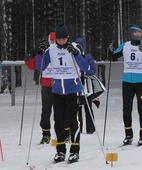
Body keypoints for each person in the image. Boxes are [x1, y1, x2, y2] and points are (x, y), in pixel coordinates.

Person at [36, 25, 89, 163]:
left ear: (68, 38)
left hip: (73, 88)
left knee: (73, 120)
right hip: (58, 89)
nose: (61, 41)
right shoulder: (51, 50)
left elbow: (85, 67)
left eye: (64, 38)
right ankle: (60, 151)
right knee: (58, 121)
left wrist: (77, 55)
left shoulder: (74, 48)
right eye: (59, 39)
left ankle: (75, 150)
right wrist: (40, 54)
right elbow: (40, 67)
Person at [109, 26, 142, 146]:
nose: (137, 34)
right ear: (131, 33)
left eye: (139, 32)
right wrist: (109, 50)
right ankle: (128, 134)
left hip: (141, 82)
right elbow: (112, 57)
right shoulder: (125, 45)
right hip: (127, 82)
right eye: (135, 32)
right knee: (126, 109)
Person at [75, 37, 96, 134]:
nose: (79, 47)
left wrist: (84, 71)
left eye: (80, 45)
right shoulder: (73, 56)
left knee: (88, 107)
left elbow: (93, 70)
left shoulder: (88, 56)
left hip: (87, 85)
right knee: (77, 107)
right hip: (76, 83)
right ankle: (78, 127)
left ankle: (90, 128)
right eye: (77, 44)